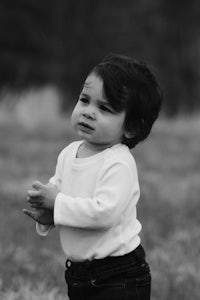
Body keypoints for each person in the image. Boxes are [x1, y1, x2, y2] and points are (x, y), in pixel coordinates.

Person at [23, 53, 163, 300]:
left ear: (130, 127)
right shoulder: (69, 153)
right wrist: (48, 214)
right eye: (84, 100)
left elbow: (104, 213)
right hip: (81, 275)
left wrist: (57, 204)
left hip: (119, 276)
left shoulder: (118, 163)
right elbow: (60, 194)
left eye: (105, 108)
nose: (88, 112)